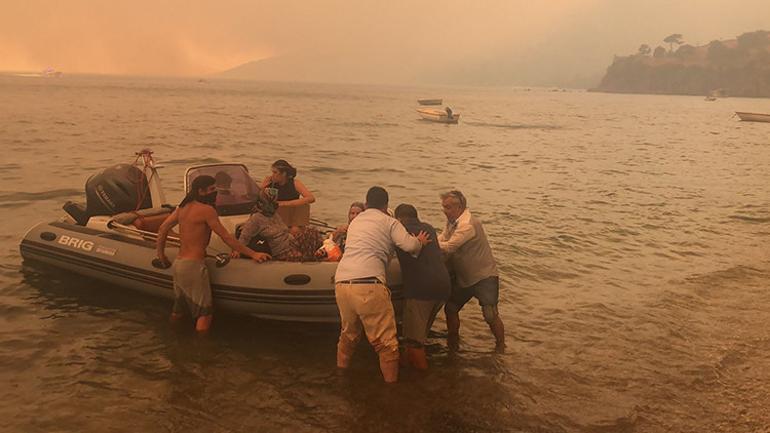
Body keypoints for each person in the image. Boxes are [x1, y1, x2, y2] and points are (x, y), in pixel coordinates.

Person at [334, 186, 430, 383]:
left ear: (366, 204)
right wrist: (419, 241)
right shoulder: (389, 221)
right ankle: (391, 390)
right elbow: (410, 246)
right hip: (368, 284)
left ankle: (341, 375)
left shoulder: (356, 221)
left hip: (342, 283)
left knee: (348, 336)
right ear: (386, 206)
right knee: (387, 345)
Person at [156, 175, 271, 333]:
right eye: (211, 189)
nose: (215, 192)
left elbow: (163, 229)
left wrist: (160, 255)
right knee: (205, 314)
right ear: (200, 191)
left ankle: (171, 337)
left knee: (179, 309)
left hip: (179, 264)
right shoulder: (207, 210)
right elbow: (226, 237)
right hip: (193, 267)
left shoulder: (182, 208)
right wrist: (253, 254)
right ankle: (201, 351)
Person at [438, 190, 505, 349]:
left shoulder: (468, 225)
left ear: (459, 207)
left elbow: (449, 246)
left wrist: (426, 242)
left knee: (490, 315)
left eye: (447, 207)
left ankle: (501, 346)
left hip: (484, 276)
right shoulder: (452, 222)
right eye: (443, 207)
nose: (444, 211)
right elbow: (443, 238)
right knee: (451, 308)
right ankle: (453, 342)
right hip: (465, 278)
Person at [393, 204, 450, 370]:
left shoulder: (401, 232)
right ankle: (405, 366)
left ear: (399, 219)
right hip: (442, 288)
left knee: (414, 342)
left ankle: (424, 382)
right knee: (417, 336)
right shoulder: (429, 228)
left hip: (420, 291)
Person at [235, 189, 321, 261]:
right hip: (281, 251)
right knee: (303, 252)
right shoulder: (256, 219)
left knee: (311, 232)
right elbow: (245, 236)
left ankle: (315, 254)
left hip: (290, 242)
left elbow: (284, 230)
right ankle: (310, 259)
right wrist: (237, 251)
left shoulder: (274, 215)